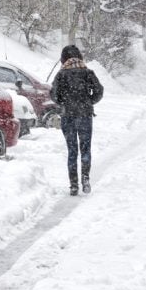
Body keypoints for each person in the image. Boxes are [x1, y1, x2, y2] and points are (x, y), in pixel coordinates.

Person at [50, 45, 104, 196]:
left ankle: (73, 185)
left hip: (68, 116)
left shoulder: (61, 74)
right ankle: (85, 179)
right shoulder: (87, 72)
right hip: (85, 115)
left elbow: (53, 95)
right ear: (79, 56)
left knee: (72, 150)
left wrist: (63, 102)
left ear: (63, 58)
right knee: (85, 148)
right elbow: (99, 90)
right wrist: (89, 101)